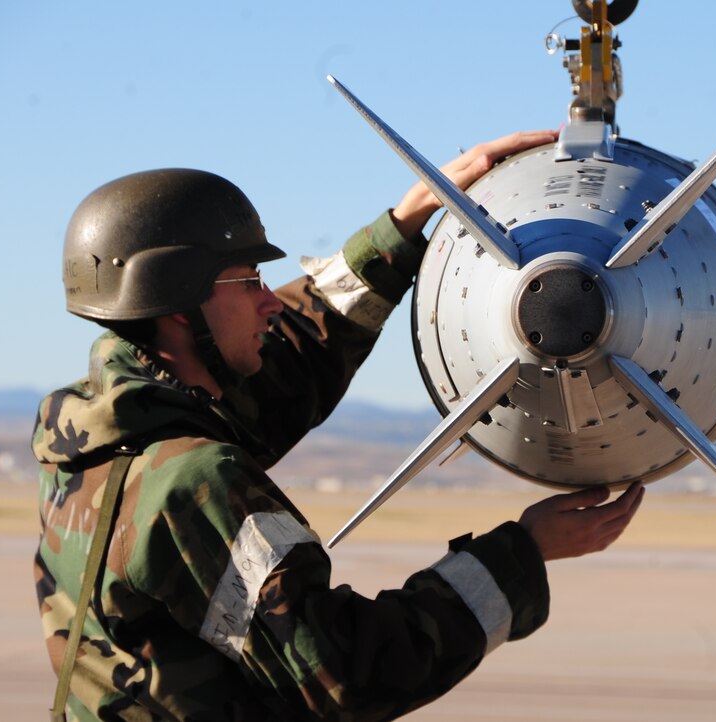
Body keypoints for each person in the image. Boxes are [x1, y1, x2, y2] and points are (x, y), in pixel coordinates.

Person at [33, 130, 646, 721]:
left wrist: (400, 227)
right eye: (248, 281)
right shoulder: (194, 483)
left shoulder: (96, 440)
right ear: (176, 305)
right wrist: (521, 555)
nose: (268, 301)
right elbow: (346, 676)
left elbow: (290, 360)